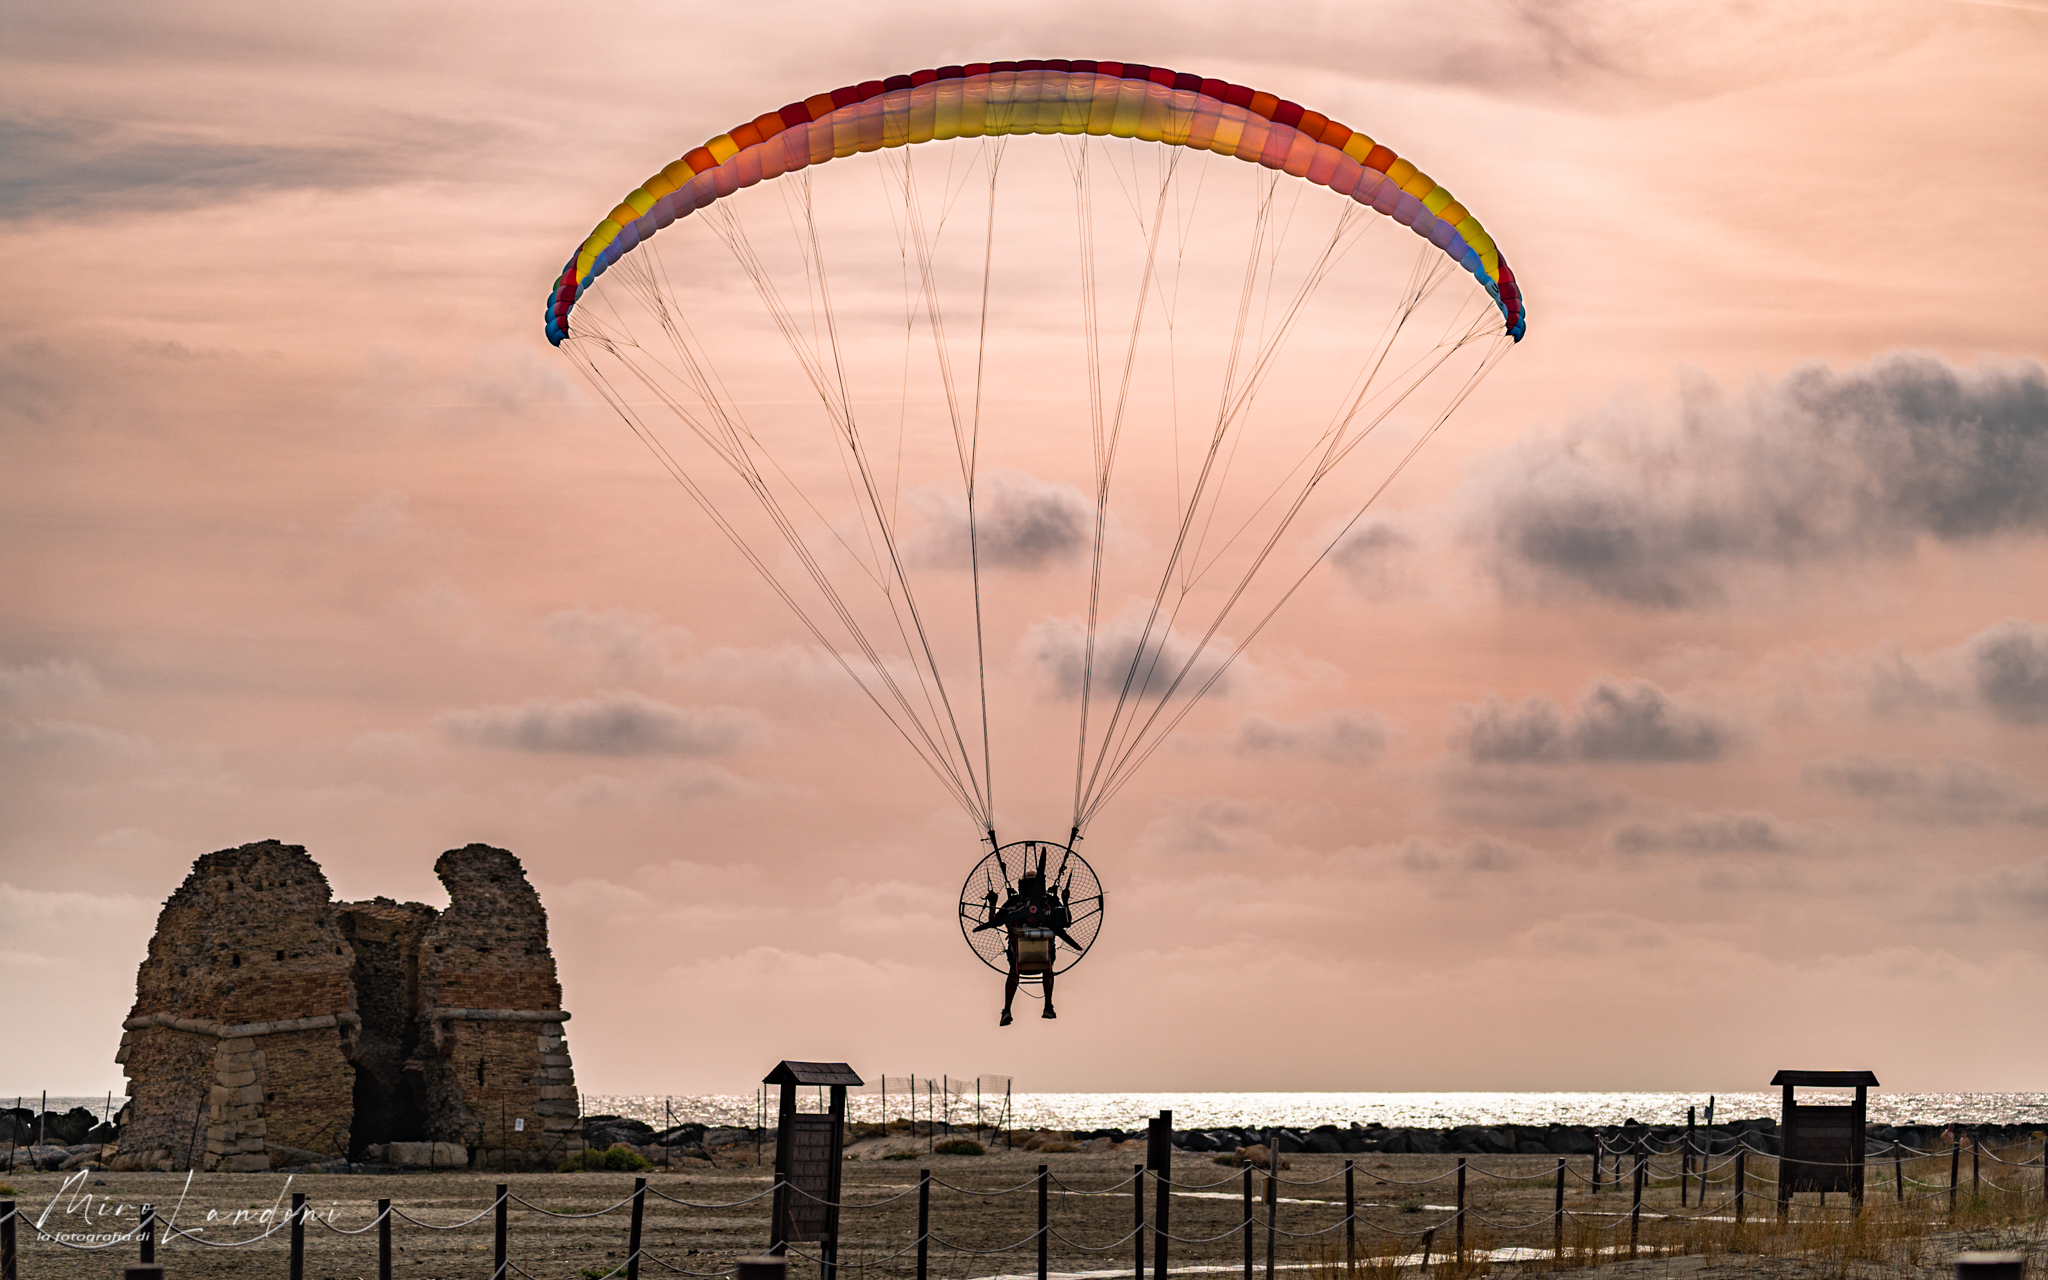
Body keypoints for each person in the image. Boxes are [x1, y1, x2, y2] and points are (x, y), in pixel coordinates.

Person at [973, 869, 1080, 1025]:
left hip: (1041, 952)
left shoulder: (1047, 902)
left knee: (1044, 968)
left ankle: (1046, 1005)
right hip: (1019, 953)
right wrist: (993, 904)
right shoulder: (1017, 903)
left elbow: (1066, 921)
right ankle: (1010, 1009)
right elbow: (995, 921)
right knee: (1031, 970)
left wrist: (1065, 902)